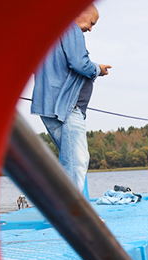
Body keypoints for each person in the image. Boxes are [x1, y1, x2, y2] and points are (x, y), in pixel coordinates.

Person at [30, 4, 110, 192]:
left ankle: (63, 208)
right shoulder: (70, 29)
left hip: (47, 105)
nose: (90, 29)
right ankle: (73, 216)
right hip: (66, 108)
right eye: (91, 23)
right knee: (77, 161)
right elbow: (79, 63)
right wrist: (97, 69)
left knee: (69, 160)